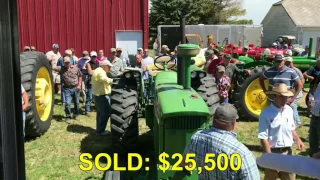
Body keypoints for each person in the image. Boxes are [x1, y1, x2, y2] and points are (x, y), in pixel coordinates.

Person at [182, 104, 260, 180]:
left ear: (213, 120)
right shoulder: (242, 153)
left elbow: (184, 162)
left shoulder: (196, 138)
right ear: (234, 124)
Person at [258, 83, 305, 180]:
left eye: (286, 97)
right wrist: (269, 158)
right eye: (281, 97)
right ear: (274, 96)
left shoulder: (289, 110)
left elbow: (291, 128)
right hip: (273, 153)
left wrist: (298, 140)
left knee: (289, 178)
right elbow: (263, 138)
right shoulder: (266, 113)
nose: (284, 99)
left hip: (287, 153)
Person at [53, 56, 82, 123]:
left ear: (70, 62)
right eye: (65, 63)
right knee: (67, 103)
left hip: (75, 88)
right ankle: (68, 116)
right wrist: (52, 61)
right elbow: (53, 67)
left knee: (76, 102)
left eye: (68, 62)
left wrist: (79, 85)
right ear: (64, 63)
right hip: (67, 89)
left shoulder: (75, 68)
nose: (67, 64)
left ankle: (76, 114)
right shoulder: (61, 68)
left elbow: (80, 76)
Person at [91, 60, 114, 136]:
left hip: (98, 95)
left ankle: (99, 129)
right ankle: (100, 131)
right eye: (109, 66)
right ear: (104, 66)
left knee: (100, 113)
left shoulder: (99, 70)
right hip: (101, 96)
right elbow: (105, 80)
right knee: (105, 113)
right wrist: (115, 80)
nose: (110, 68)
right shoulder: (100, 72)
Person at [285, 57, 304, 127]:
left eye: (289, 63)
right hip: (291, 92)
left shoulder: (296, 70)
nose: (288, 64)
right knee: (289, 105)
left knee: (292, 104)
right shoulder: (286, 70)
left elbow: (302, 81)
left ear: (292, 62)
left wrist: (297, 90)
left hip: (297, 91)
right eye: (287, 63)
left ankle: (297, 122)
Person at [307, 75, 320, 158]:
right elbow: (315, 96)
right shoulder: (319, 85)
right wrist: (311, 101)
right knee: (312, 139)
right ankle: (313, 159)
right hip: (315, 116)